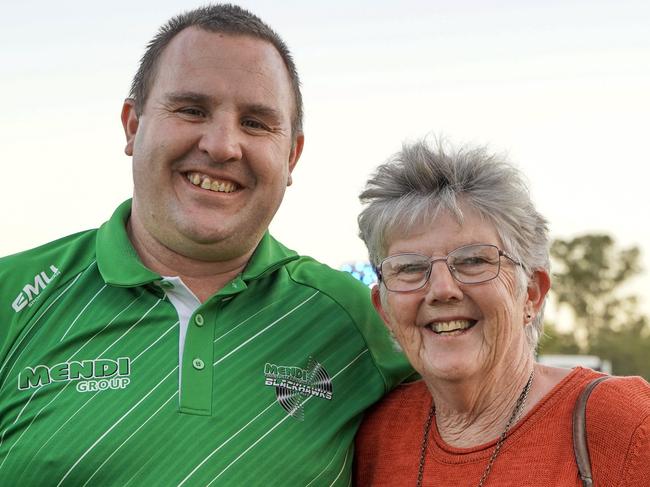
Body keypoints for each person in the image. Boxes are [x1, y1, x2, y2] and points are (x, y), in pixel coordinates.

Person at [0, 5, 411, 485]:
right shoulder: (13, 296)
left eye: (256, 123)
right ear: (133, 125)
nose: (222, 146)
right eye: (192, 109)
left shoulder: (355, 319)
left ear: (292, 154)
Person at [354, 139, 650, 486]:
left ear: (532, 292)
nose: (442, 289)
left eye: (474, 260)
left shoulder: (623, 425)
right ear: (385, 310)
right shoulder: (376, 435)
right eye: (409, 268)